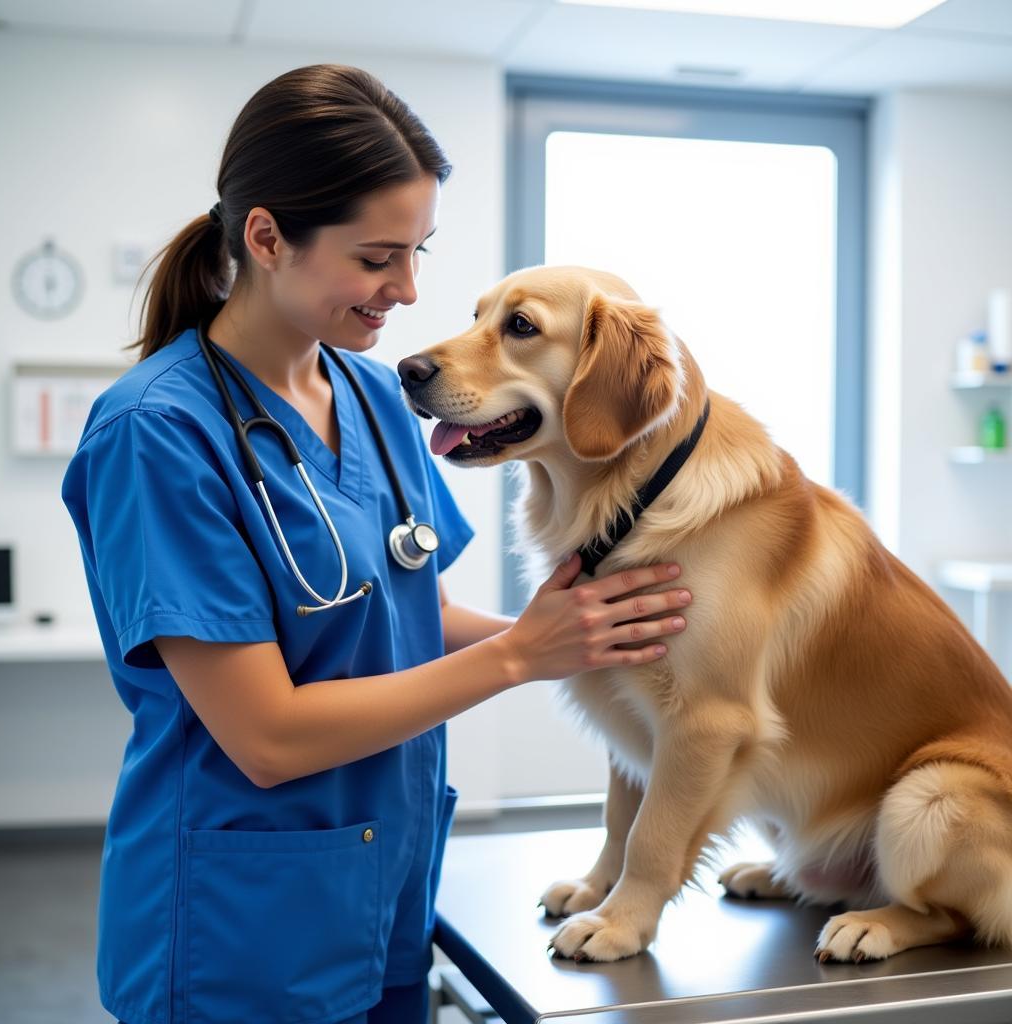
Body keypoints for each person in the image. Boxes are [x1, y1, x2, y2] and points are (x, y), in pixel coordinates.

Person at [61, 64, 692, 1024]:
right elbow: (266, 735)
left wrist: (588, 635)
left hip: (386, 894)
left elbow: (416, 615)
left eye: (416, 252)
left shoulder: (374, 397)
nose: (403, 288)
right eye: (375, 257)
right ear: (266, 237)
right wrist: (524, 656)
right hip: (240, 931)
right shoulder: (156, 432)